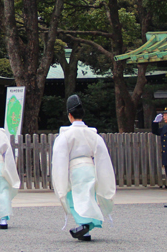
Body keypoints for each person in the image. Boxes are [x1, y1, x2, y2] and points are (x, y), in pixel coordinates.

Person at [51, 95, 116, 242]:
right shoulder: (93, 134)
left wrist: (61, 177)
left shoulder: (65, 135)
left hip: (75, 169)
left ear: (70, 115)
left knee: (74, 198)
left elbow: (60, 158)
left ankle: (84, 225)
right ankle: (88, 225)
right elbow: (102, 155)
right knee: (89, 197)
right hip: (90, 168)